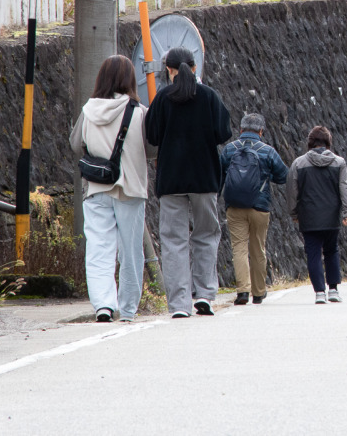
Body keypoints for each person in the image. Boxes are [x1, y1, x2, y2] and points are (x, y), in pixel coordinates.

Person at [144, 46, 232, 318]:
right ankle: (204, 294)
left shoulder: (162, 99)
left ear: (168, 70)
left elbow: (153, 136)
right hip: (205, 178)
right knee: (206, 234)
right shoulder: (209, 96)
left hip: (172, 179)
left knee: (173, 240)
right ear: (195, 67)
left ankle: (179, 304)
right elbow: (224, 132)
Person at [69, 55, 152, 323]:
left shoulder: (88, 111)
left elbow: (74, 143)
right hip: (129, 189)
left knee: (99, 250)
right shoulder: (139, 113)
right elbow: (152, 149)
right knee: (130, 251)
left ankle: (103, 305)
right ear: (130, 80)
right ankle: (127, 310)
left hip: (95, 187)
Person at [220, 113, 288, 306]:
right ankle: (258, 292)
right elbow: (283, 176)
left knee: (239, 249)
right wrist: (266, 176)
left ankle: (243, 291)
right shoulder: (268, 151)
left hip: (234, 207)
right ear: (261, 131)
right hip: (260, 206)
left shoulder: (229, 149)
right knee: (258, 249)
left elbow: (220, 175)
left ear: (240, 130)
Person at [288, 125, 347, 304]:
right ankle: (333, 289)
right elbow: (345, 189)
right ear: (328, 143)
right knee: (332, 250)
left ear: (310, 143)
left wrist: (294, 213)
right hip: (331, 216)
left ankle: (319, 292)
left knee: (313, 253)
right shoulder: (339, 163)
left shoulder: (298, 163)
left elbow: (293, 192)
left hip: (308, 217)